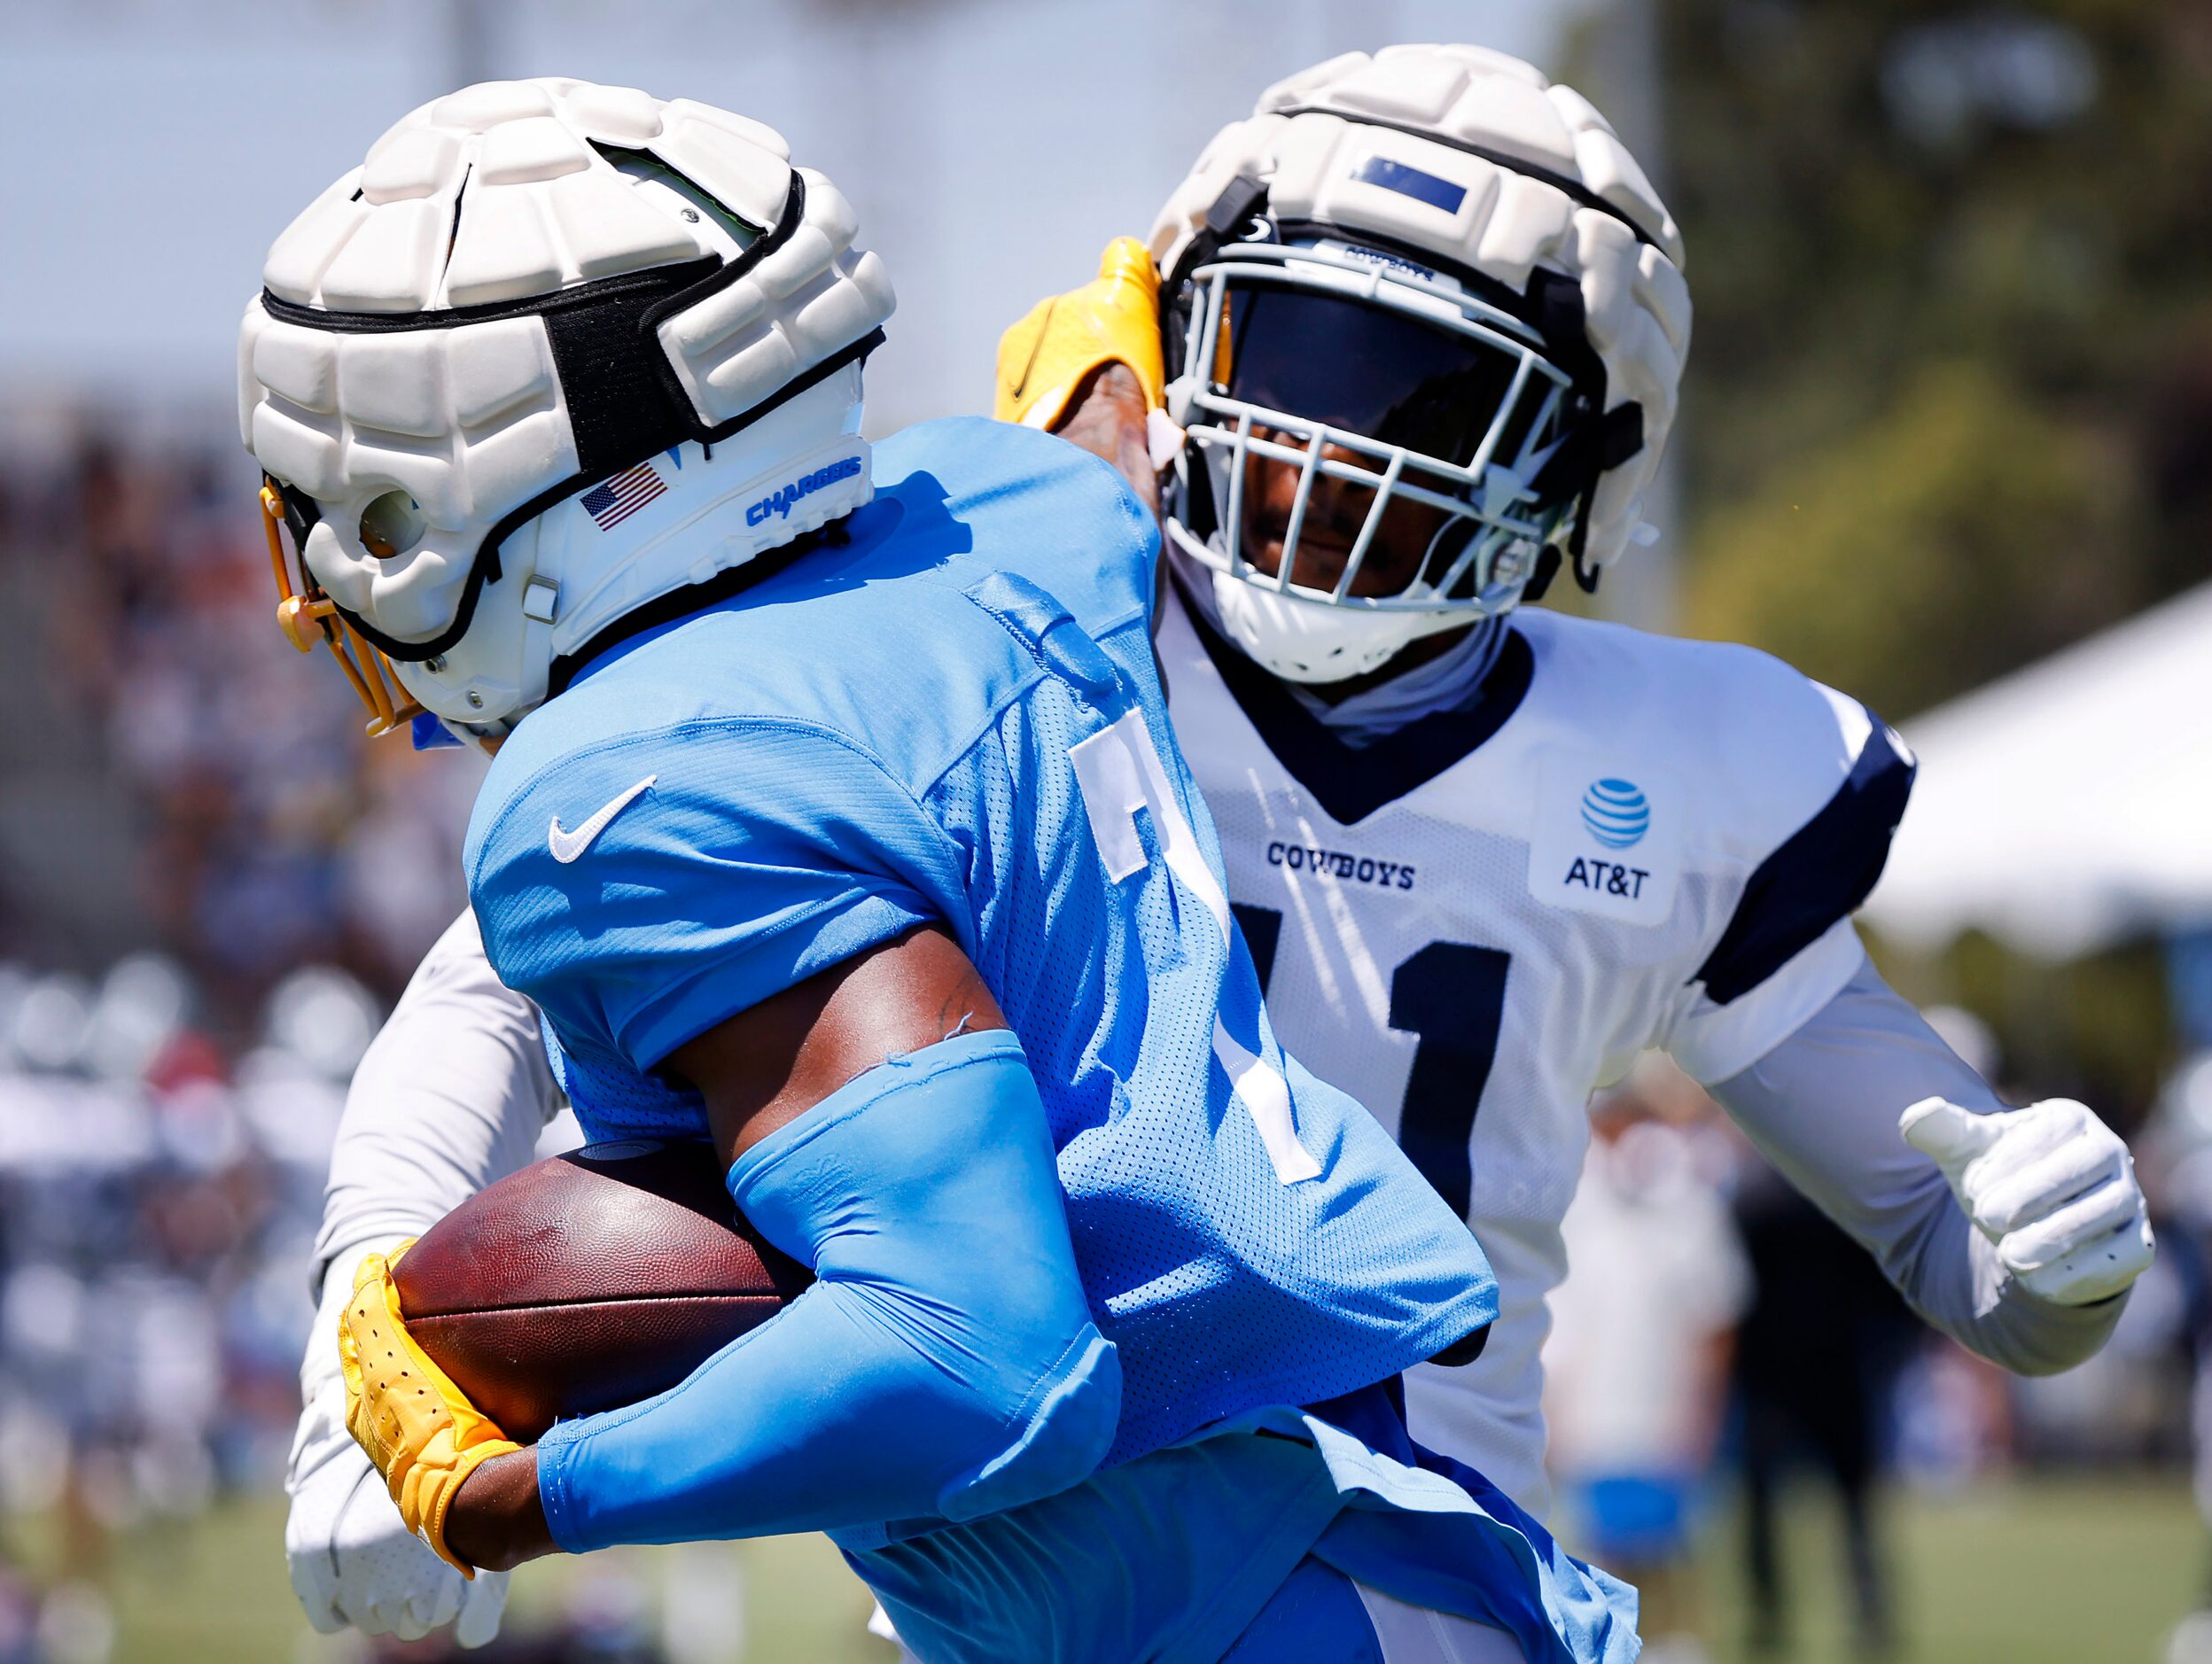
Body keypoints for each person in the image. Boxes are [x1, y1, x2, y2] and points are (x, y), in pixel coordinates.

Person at [283, 48, 2157, 1659]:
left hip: (1403, 1561)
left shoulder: (1681, 761)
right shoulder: (997, 591)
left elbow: (1954, 1238)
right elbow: (496, 980)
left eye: (1419, 393)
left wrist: (2040, 1250)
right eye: (1285, 345)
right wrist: (354, 1363)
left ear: (1581, 459)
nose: (1330, 447)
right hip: (1012, 1568)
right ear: (1175, 331)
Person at [251, 77, 1638, 1664]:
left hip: (1210, 1601)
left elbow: (981, 1353)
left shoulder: (641, 771)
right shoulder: (1007, 509)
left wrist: (531, 1492)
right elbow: (1093, 450)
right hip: (1318, 1552)